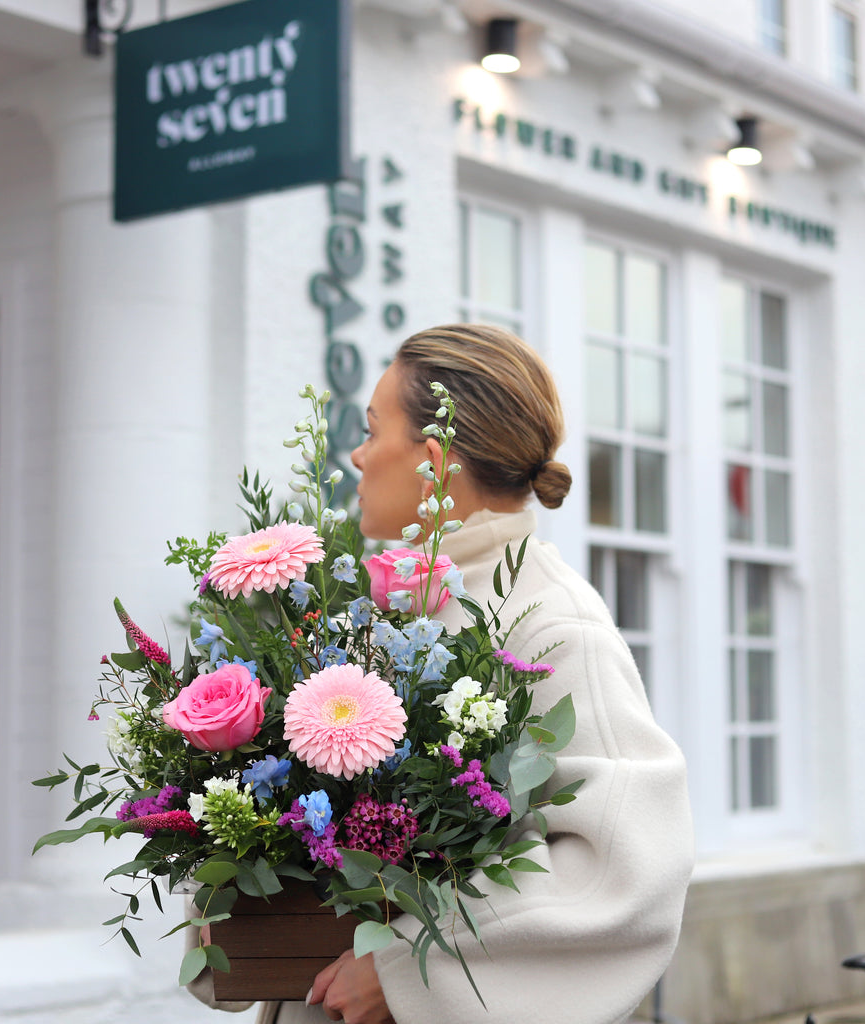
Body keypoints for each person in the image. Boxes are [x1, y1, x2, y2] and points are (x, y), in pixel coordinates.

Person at [194, 323, 694, 1024]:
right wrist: (239, 899)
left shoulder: (552, 622)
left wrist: (406, 973)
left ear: (432, 460)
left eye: (372, 431)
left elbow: (623, 875)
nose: (357, 456)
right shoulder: (375, 611)